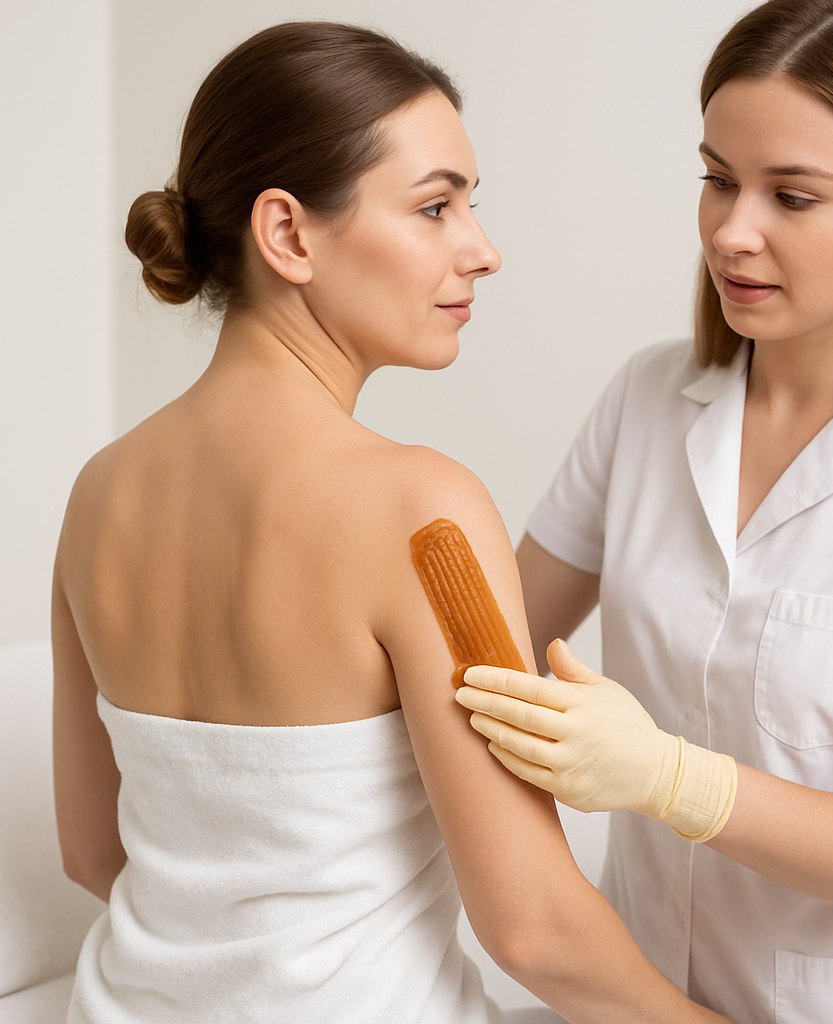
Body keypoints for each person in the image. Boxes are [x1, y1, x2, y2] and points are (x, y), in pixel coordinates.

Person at [51, 21, 729, 1024]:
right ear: (288, 235)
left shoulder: (98, 493)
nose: (482, 251)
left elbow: (91, 852)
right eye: (435, 206)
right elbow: (533, 928)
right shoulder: (421, 510)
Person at [454, 0, 833, 1020]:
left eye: (791, 196)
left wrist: (671, 780)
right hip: (644, 997)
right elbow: (490, 652)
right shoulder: (646, 399)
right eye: (717, 179)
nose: (731, 232)